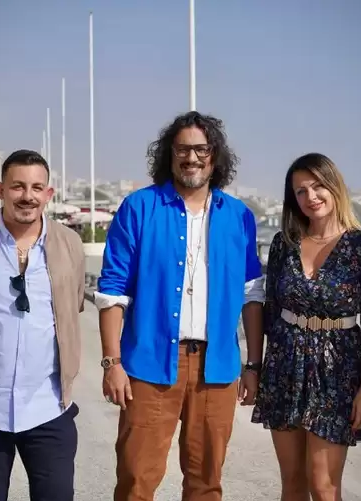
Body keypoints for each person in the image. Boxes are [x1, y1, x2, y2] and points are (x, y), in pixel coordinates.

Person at [95, 111, 265, 501]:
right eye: (182, 149)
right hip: (149, 365)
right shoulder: (139, 208)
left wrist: (253, 365)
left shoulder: (239, 216)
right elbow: (112, 290)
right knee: (136, 480)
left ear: (215, 155)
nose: (192, 158)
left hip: (217, 368)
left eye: (201, 149)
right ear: (169, 154)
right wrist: (111, 362)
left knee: (206, 483)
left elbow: (252, 293)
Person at [251, 153, 361, 501]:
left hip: (337, 372)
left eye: (318, 186)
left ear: (335, 187)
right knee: (292, 484)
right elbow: (271, 313)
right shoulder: (283, 244)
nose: (311, 197)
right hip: (285, 368)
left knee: (324, 486)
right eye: (301, 191)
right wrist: (255, 368)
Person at [0, 149, 86, 501]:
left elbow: (74, 306)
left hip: (48, 405)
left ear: (49, 193)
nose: (28, 196)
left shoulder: (69, 244)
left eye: (37, 188)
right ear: (1, 190)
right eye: (18, 186)